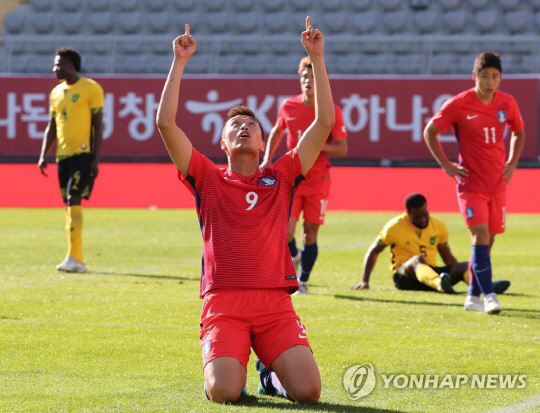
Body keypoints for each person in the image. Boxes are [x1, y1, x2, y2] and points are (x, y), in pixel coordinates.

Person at [156, 17, 334, 404]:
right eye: (234, 125)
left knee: (309, 392)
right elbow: (165, 123)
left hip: (274, 304)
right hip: (224, 303)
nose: (243, 128)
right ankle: (234, 363)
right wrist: (179, 62)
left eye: (250, 125)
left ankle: (271, 375)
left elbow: (324, 122)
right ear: (221, 143)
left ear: (262, 138)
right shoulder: (206, 176)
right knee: (223, 391)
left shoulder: (283, 173)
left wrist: (316, 58)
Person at [424, 52, 525, 314]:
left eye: (495, 77)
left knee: (487, 244)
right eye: (484, 76)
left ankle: (472, 297)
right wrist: (446, 164)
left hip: (497, 184)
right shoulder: (459, 104)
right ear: (474, 77)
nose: (490, 82)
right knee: (480, 237)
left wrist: (512, 162)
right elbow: (430, 131)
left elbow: (519, 130)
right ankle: (489, 295)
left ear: (500, 78)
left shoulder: (507, 103)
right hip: (470, 185)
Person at [260, 56, 348, 295]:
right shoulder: (289, 105)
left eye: (312, 77)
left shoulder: (331, 111)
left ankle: (304, 281)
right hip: (293, 179)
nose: (307, 81)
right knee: (285, 231)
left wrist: (317, 145)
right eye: (304, 77)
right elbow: (278, 131)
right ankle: (296, 256)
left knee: (310, 232)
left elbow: (342, 148)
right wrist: (268, 158)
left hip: (318, 180)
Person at [350, 193, 510, 295]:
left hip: (430, 273)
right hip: (405, 276)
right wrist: (365, 281)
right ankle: (440, 283)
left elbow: (447, 257)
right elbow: (374, 250)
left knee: (465, 265)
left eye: (425, 215)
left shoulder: (438, 225)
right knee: (416, 259)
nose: (422, 220)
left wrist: (458, 272)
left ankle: (484, 285)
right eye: (417, 217)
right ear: (408, 213)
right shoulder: (394, 227)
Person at [38, 47, 104, 273]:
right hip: (62, 156)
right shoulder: (55, 93)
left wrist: (95, 158)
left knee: (73, 198)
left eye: (59, 65)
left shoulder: (91, 88)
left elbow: (98, 125)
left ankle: (73, 258)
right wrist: (43, 154)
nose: (55, 69)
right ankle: (77, 258)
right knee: (68, 204)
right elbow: (52, 126)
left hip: (83, 155)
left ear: (71, 65)